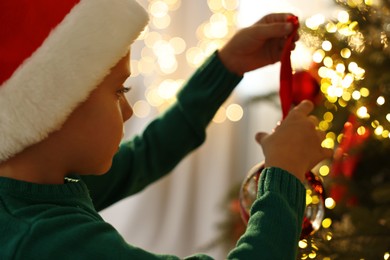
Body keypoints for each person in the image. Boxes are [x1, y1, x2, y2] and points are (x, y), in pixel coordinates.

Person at [0, 0, 332, 259]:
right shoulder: (48, 242)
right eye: (120, 91)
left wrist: (227, 65)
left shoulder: (28, 187)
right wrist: (285, 171)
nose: (128, 111)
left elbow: (146, 154)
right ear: (56, 109)